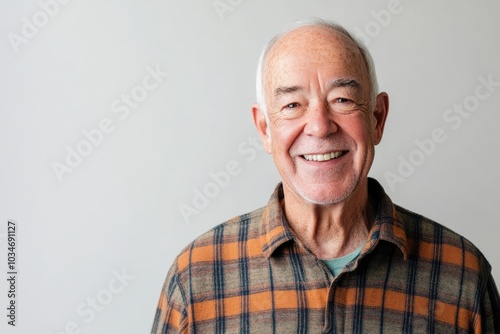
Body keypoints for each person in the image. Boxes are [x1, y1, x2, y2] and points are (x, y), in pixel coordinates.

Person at [151, 19, 500, 333]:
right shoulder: (196, 278)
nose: (319, 126)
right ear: (264, 129)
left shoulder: (463, 276)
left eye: (343, 100)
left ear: (377, 118)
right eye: (292, 105)